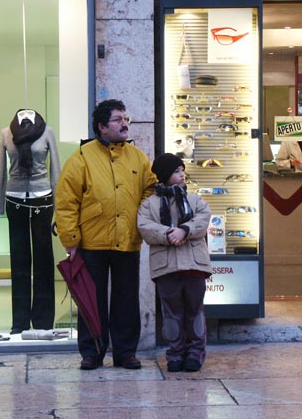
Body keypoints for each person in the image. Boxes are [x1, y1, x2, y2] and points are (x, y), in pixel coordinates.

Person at [55, 99, 158, 370]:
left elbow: (150, 188)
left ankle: (125, 353)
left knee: (126, 299)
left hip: (127, 240)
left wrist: (141, 218)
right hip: (91, 242)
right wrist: (71, 241)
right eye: (118, 119)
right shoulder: (81, 158)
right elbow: (66, 202)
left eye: (126, 118)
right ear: (102, 127)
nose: (125, 123)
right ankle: (92, 352)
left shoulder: (137, 157)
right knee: (92, 300)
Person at [137, 153, 212, 373]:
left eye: (182, 170)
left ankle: (195, 353)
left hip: (194, 266)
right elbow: (145, 227)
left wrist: (185, 230)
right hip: (166, 268)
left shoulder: (194, 199)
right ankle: (175, 354)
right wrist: (170, 233)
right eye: (177, 172)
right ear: (164, 176)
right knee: (171, 313)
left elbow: (203, 218)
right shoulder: (149, 204)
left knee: (195, 311)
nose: (182, 175)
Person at [0, 109, 61, 334]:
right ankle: (20, 322)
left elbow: (55, 169)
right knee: (19, 261)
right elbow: (2, 170)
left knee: (43, 260)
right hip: (14, 198)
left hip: (42, 197)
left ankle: (43, 322)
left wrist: (59, 204)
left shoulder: (47, 132)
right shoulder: (6, 133)